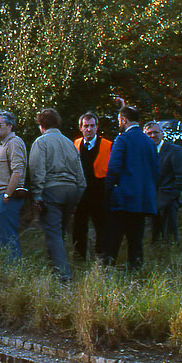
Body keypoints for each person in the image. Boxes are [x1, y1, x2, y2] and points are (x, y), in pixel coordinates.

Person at [28, 108, 85, 281]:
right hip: (72, 191)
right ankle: (56, 268)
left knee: (53, 234)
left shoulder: (41, 142)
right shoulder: (70, 143)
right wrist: (77, 197)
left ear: (41, 125)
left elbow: (37, 171)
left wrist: (37, 195)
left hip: (52, 191)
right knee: (60, 233)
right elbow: (80, 176)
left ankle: (63, 277)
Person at [100, 105, 159, 270]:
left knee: (113, 239)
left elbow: (113, 168)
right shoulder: (149, 142)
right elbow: (155, 171)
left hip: (123, 199)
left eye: (120, 120)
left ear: (124, 120)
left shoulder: (122, 139)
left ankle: (106, 271)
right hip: (142, 200)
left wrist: (108, 191)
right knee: (136, 241)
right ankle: (135, 273)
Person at [72, 112, 112, 262]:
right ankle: (79, 257)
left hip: (99, 192)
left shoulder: (108, 145)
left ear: (97, 127)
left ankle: (102, 258)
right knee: (79, 226)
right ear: (81, 128)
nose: (89, 129)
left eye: (92, 126)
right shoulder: (75, 144)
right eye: (86, 126)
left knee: (101, 226)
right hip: (81, 193)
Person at [0, 111, 28, 259]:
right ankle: (9, 270)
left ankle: (13, 270)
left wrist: (7, 194)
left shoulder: (14, 142)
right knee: (4, 235)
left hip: (7, 197)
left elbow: (18, 171)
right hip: (1, 196)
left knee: (8, 236)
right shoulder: (3, 144)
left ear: (10, 126)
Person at [145, 121, 182, 245]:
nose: (153, 135)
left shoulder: (174, 150)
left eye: (156, 132)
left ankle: (172, 262)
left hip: (168, 203)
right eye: (149, 133)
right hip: (149, 203)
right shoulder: (144, 153)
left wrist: (168, 198)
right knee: (152, 242)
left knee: (170, 241)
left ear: (162, 134)